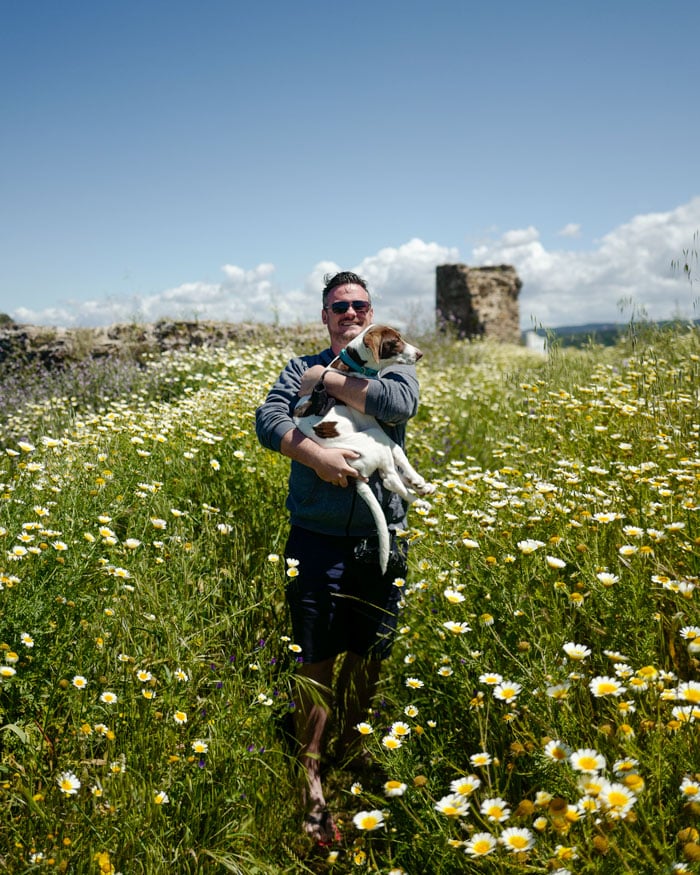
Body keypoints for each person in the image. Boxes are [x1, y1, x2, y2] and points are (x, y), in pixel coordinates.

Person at [255, 271, 421, 844]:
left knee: (369, 653)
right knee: (316, 657)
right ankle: (312, 778)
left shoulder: (392, 361)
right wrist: (316, 457)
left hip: (382, 540)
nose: (350, 312)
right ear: (325, 316)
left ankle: (352, 750)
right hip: (318, 536)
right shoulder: (292, 366)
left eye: (360, 305)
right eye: (339, 306)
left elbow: (398, 405)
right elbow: (270, 420)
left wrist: (325, 376)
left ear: (371, 314)